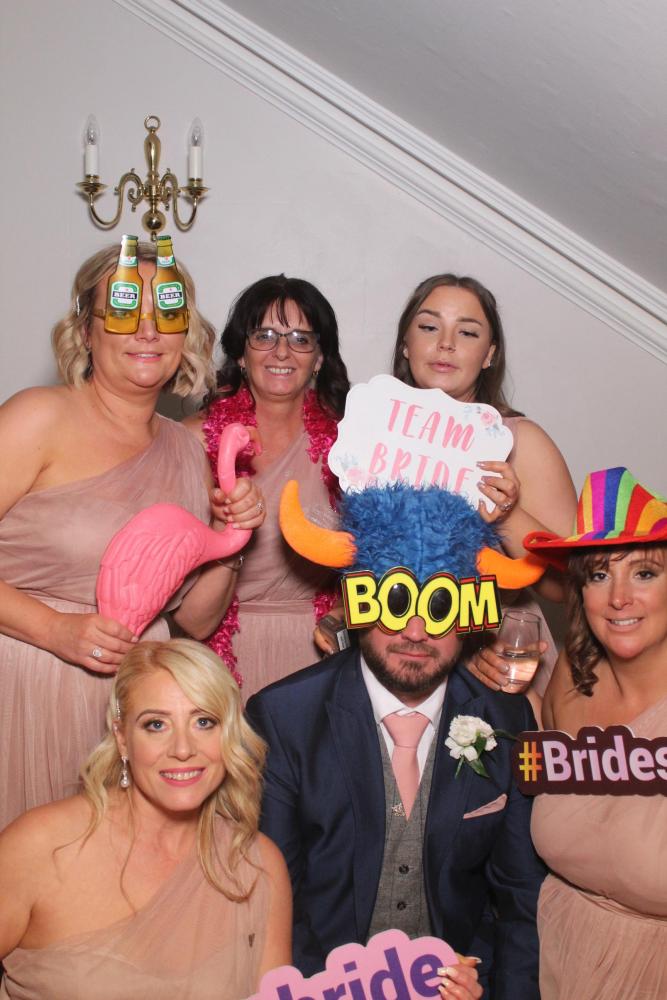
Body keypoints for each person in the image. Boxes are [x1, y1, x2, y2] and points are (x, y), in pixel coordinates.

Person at [0, 243, 265, 830]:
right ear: (86, 331)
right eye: (123, 313)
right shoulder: (38, 416)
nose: (147, 330)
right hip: (21, 689)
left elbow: (194, 620)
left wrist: (232, 537)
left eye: (166, 314)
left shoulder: (187, 451)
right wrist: (55, 629)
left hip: (136, 707)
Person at [248, 481, 546, 998]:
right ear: (355, 602)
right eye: (393, 600)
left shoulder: (506, 718)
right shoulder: (284, 718)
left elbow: (521, 899)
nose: (415, 631)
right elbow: (271, 900)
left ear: (471, 614)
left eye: (441, 604)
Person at [0, 638, 291, 997]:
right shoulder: (41, 846)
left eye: (204, 722)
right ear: (122, 738)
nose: (183, 749)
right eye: (156, 725)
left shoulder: (256, 865)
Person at [390, 274, 577, 701]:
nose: (445, 344)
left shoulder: (521, 441)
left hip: (492, 665)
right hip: (392, 655)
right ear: (406, 345)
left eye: (467, 332)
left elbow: (570, 585)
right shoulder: (375, 437)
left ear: (490, 354)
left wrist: (507, 513)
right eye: (429, 326)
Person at [524, 467, 667, 1000]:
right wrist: (509, 694)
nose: (619, 598)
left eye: (644, 573)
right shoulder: (571, 677)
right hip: (555, 960)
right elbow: (549, 776)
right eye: (600, 575)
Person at [185, 274, 350, 699]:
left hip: (319, 654)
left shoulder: (350, 445)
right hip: (216, 657)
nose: (281, 351)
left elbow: (379, 556)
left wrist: (344, 610)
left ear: (319, 358)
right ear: (241, 353)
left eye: (300, 339)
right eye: (264, 335)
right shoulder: (194, 440)